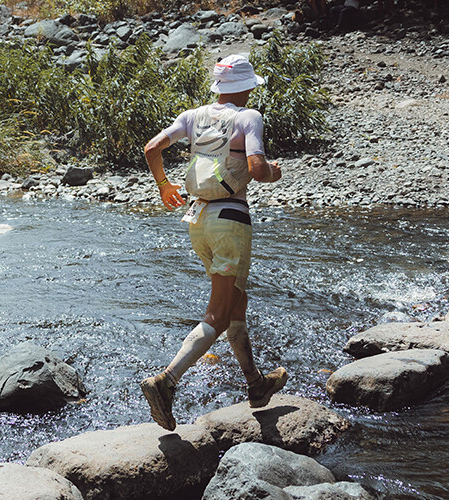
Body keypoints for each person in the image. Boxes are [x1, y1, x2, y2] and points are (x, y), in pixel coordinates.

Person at [139, 54, 288, 431]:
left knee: (236, 299)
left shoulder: (192, 115)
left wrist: (163, 185)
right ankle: (166, 382)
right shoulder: (248, 117)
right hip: (231, 220)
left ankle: (256, 384)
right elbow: (255, 168)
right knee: (218, 314)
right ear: (247, 87)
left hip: (198, 220)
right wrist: (274, 173)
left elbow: (152, 148)